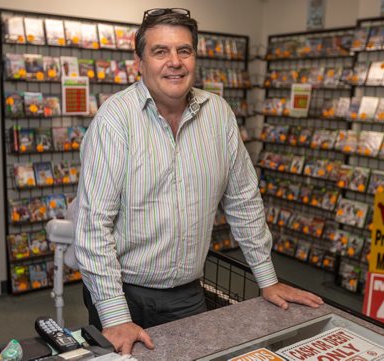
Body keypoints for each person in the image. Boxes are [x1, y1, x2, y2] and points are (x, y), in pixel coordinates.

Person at [75, 8, 324, 355]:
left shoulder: (219, 114)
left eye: (184, 51)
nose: (174, 62)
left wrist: (267, 279)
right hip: (121, 293)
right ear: (139, 62)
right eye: (160, 51)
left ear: (194, 57)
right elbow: (92, 225)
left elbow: (244, 200)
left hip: (188, 292)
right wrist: (115, 316)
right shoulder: (114, 121)